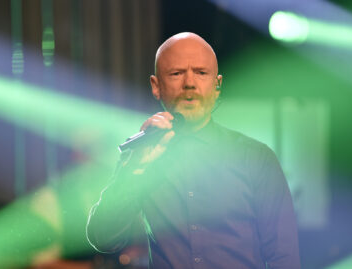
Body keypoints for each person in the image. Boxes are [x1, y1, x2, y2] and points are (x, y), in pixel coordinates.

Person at [86, 32, 300, 269]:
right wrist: (135, 170)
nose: (189, 83)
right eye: (176, 73)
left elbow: (284, 257)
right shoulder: (141, 154)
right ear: (156, 86)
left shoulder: (256, 158)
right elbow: (103, 238)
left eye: (201, 73)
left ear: (217, 85)